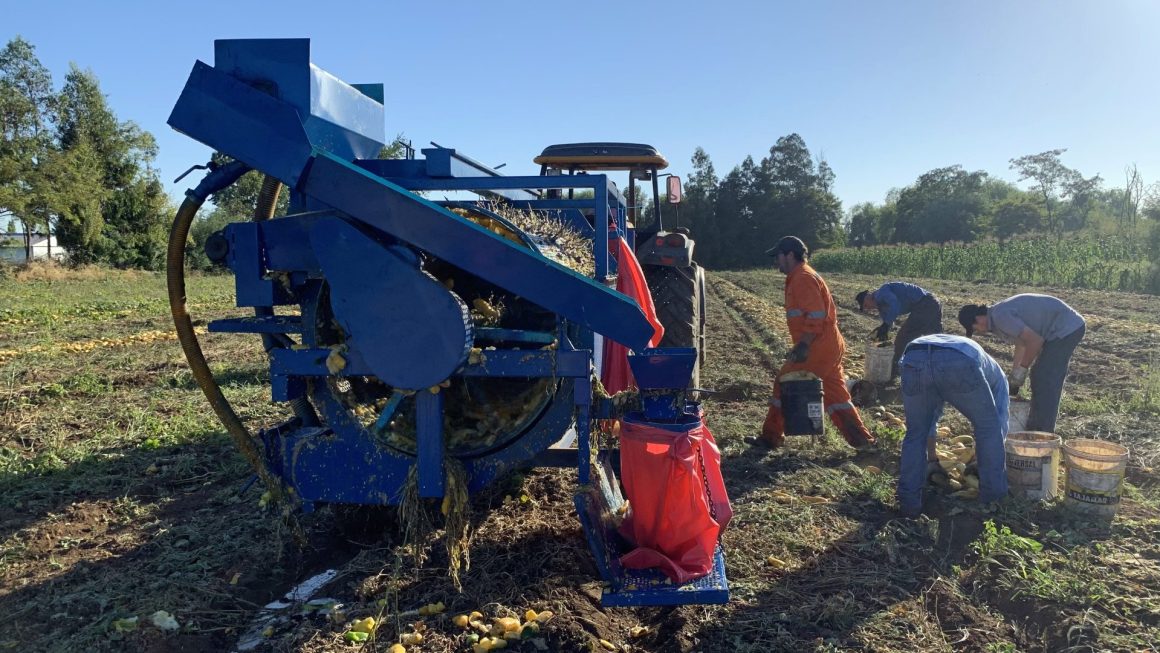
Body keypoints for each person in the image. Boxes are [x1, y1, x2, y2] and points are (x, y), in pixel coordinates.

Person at [758, 236, 876, 449]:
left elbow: (815, 315)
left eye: (778, 256)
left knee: (784, 382)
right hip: (828, 345)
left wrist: (804, 345)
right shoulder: (801, 276)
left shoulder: (802, 277)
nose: (776, 261)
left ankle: (771, 437)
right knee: (836, 395)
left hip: (817, 346)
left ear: (790, 255)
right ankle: (863, 442)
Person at [897, 333, 1010, 517]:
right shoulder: (999, 379)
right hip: (958, 360)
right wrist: (982, 461)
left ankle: (908, 504)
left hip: (914, 356)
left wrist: (931, 458)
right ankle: (992, 501)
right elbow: (997, 425)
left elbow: (929, 417)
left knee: (916, 431)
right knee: (988, 428)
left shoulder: (983, 362)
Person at [958, 294, 1085, 433]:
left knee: (1045, 376)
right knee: (1039, 374)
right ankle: (1036, 424)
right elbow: (1022, 344)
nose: (979, 332)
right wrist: (1015, 376)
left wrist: (1023, 369)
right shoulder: (996, 317)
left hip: (1066, 327)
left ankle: (1043, 431)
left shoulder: (1000, 317)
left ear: (978, 319)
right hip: (1056, 328)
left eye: (975, 328)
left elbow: (1035, 341)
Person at [855, 282, 943, 379]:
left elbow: (894, 304)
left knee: (904, 336)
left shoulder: (881, 292)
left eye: (866, 305)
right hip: (932, 303)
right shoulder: (881, 307)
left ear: (867, 297)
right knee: (935, 339)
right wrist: (884, 331)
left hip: (926, 303)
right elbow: (889, 323)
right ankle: (942, 368)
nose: (868, 309)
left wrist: (886, 325)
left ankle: (893, 368)